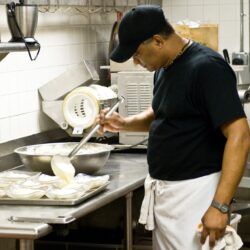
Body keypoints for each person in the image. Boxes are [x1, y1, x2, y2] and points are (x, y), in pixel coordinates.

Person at [97, 5, 250, 250]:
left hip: (197, 194)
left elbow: (240, 135)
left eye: (137, 54)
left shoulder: (207, 67)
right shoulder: (165, 67)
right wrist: (124, 123)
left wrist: (219, 206)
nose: (136, 63)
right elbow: (163, 114)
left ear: (157, 41)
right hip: (168, 195)